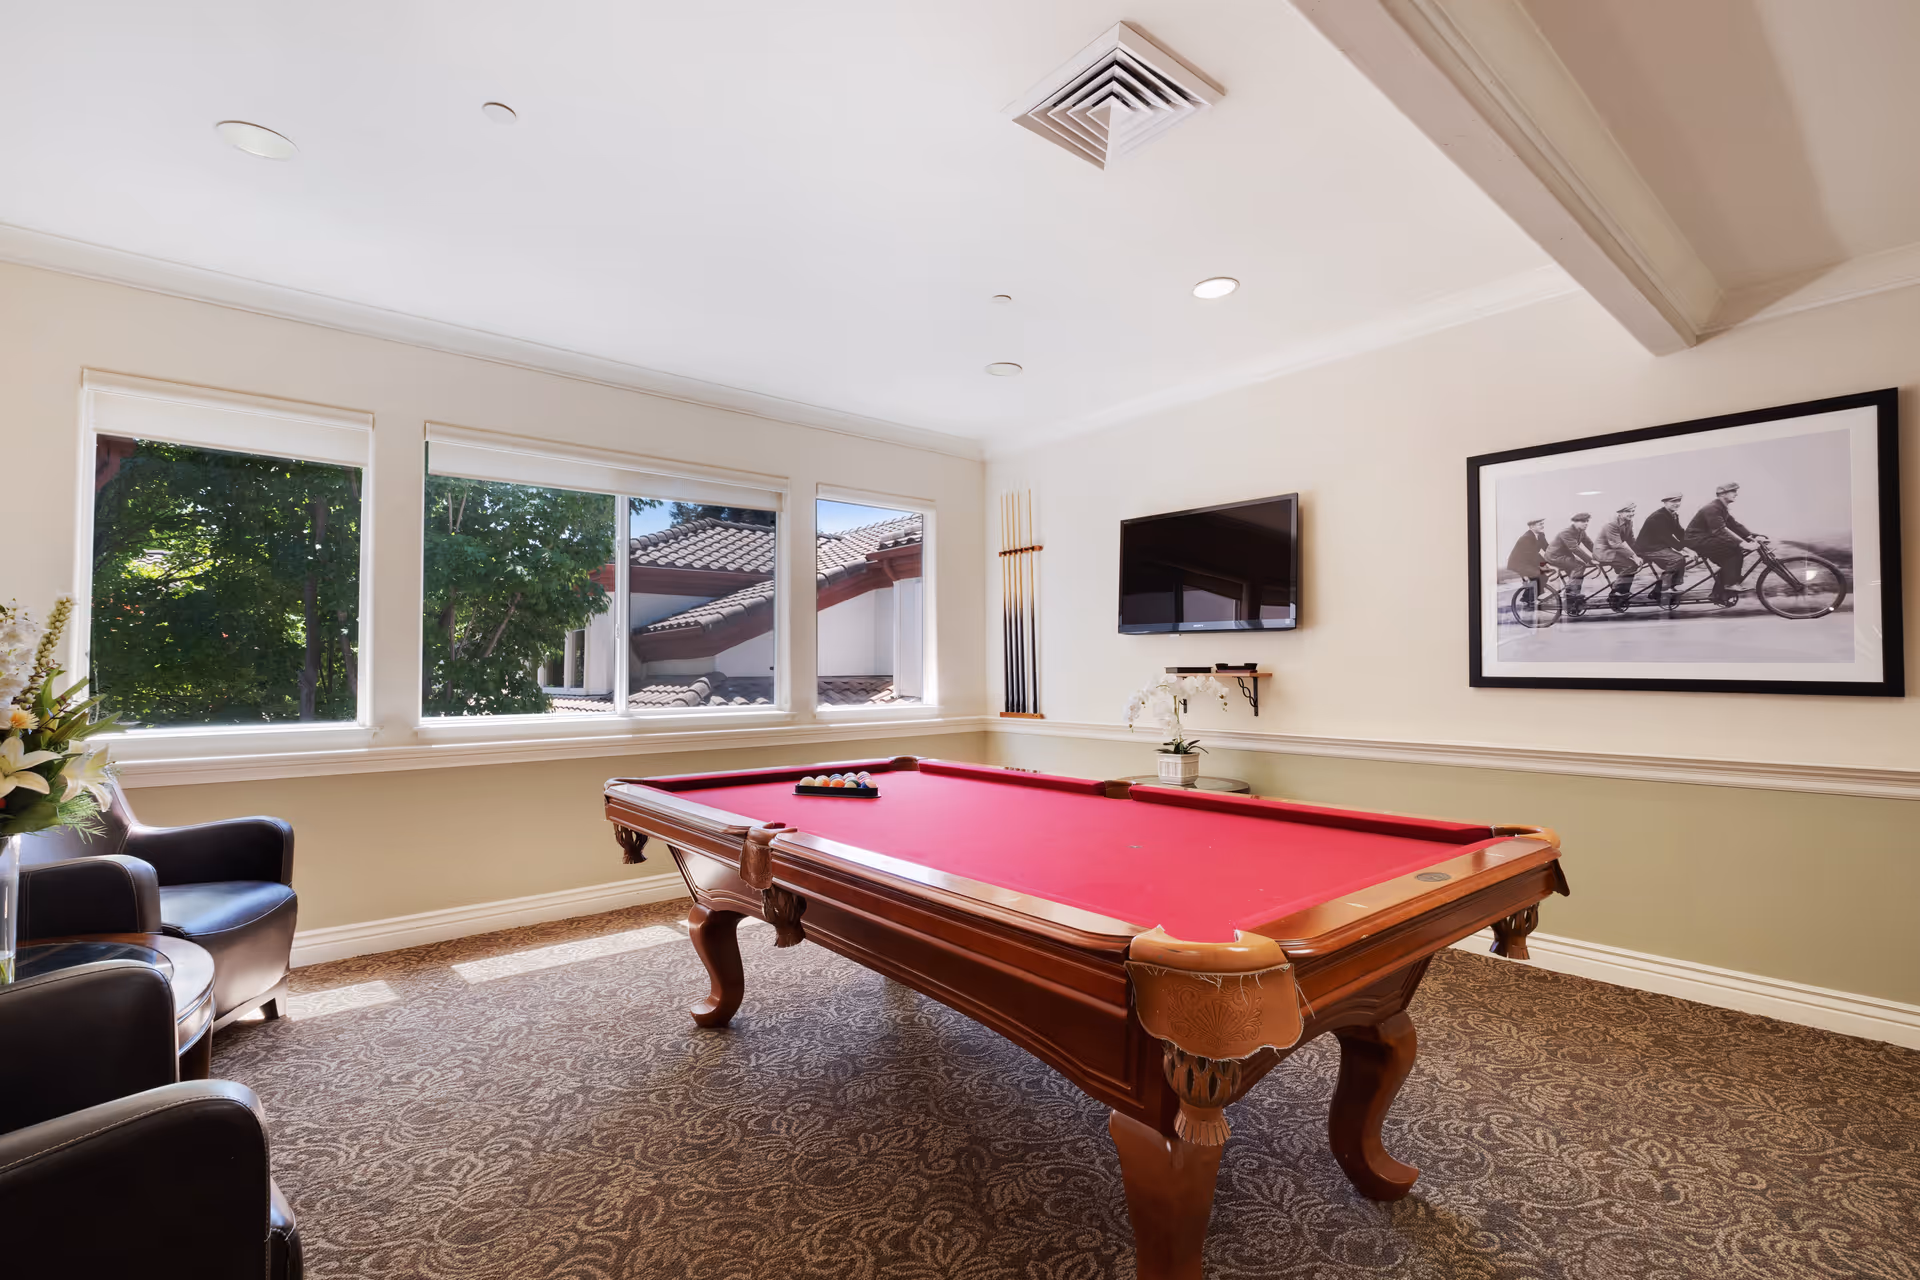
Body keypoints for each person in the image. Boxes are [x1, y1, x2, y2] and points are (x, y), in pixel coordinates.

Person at [1684, 482, 1765, 607]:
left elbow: (1734, 525)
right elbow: (1720, 530)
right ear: (1722, 494)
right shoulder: (1712, 508)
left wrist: (1752, 536)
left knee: (1733, 557)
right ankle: (1730, 584)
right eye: (1733, 491)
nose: (1736, 494)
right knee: (1734, 551)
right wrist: (1743, 544)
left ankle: (1718, 593)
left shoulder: (1721, 508)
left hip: (1706, 539)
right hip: (1697, 541)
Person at [1634, 492, 1688, 604]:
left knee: (1679, 559)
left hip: (1658, 547)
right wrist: (1685, 549)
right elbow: (1667, 537)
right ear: (1665, 503)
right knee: (1676, 559)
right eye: (1673, 501)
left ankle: (1658, 591)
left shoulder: (1672, 515)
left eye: (1678, 501)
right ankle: (1665, 589)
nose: (1677, 504)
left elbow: (1680, 533)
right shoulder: (1658, 517)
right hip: (1647, 549)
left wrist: (1692, 546)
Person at [1593, 503, 1641, 606]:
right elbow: (1616, 544)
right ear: (1620, 513)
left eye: (1633, 511)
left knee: (1633, 564)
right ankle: (1615, 593)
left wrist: (1640, 553)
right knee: (1630, 564)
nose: (1631, 513)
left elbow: (1631, 540)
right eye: (1628, 511)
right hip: (1603, 552)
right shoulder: (1612, 524)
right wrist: (1634, 556)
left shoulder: (1628, 522)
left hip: (1613, 551)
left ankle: (1623, 592)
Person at [1546, 513, 1597, 608]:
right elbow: (1575, 548)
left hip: (1565, 556)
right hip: (1555, 556)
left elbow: (1589, 544)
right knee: (1579, 566)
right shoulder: (1566, 532)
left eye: (1587, 521)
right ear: (1574, 522)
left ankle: (1572, 601)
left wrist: (1599, 556)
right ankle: (1570, 594)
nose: (1586, 523)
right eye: (1582, 521)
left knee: (1576, 574)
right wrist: (1590, 560)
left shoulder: (1581, 532)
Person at [1506, 518, 1550, 610]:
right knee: (1536, 575)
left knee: (1545, 574)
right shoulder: (1526, 537)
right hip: (1519, 562)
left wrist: (1555, 558)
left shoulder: (1541, 535)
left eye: (1542, 524)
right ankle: (1531, 601)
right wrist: (1524, 574)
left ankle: (1526, 597)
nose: (1542, 526)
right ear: (1531, 527)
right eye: (1539, 524)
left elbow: (1547, 549)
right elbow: (1530, 555)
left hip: (1530, 560)